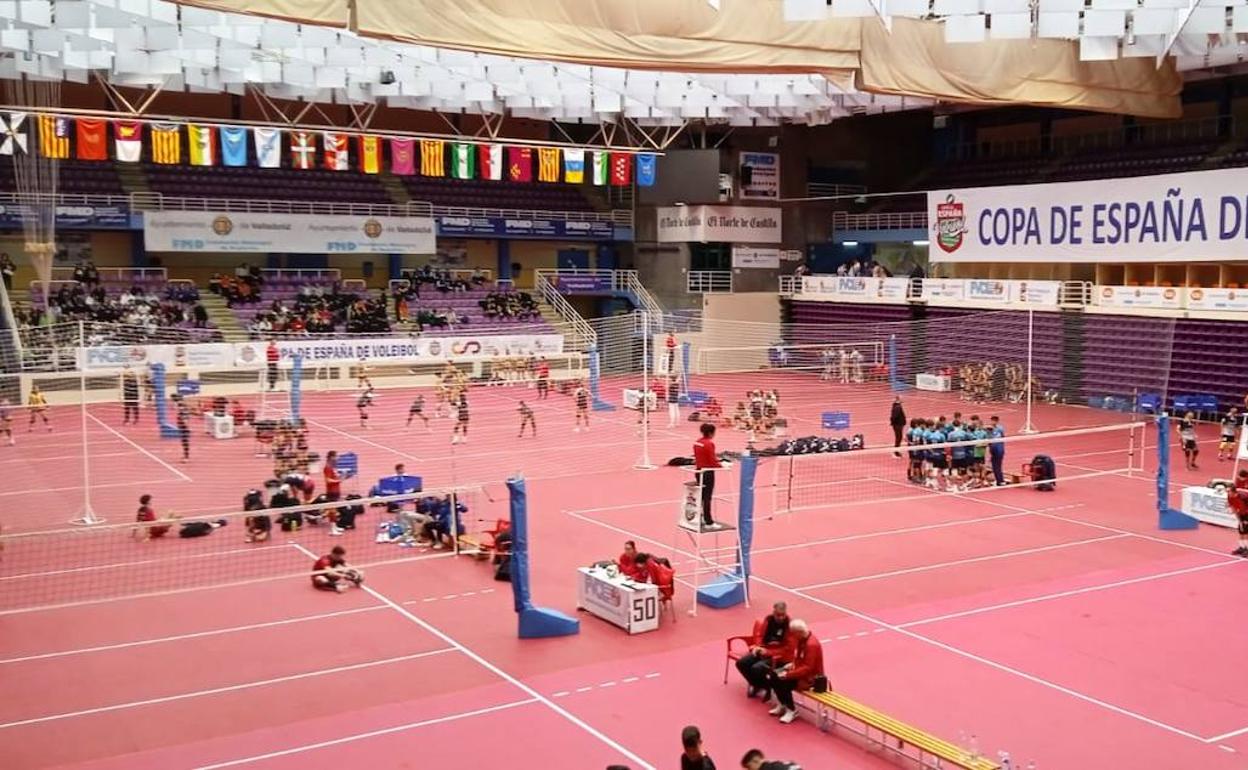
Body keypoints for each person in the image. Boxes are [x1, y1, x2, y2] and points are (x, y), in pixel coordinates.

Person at [766, 618, 824, 724]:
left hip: (810, 679)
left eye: (793, 633)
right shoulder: (801, 640)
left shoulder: (811, 645)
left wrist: (788, 674)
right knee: (773, 675)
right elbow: (799, 657)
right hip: (799, 672)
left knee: (783, 682)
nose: (792, 636)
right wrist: (792, 664)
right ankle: (783, 703)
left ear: (799, 632)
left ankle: (791, 710)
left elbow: (808, 668)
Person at [735, 602, 791, 701]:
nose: (781, 618)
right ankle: (759, 685)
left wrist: (768, 653)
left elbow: (787, 649)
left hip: (778, 656)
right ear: (773, 612)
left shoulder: (790, 625)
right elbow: (760, 636)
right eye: (778, 615)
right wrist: (758, 646)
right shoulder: (768, 620)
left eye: (783, 615)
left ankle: (768, 687)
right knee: (741, 663)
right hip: (764, 650)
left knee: (756, 668)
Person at [693, 423, 721, 528]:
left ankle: (699, 517)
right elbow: (712, 460)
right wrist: (722, 465)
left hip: (698, 471)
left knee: (700, 496)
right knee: (707, 497)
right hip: (707, 472)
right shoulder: (709, 444)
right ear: (710, 433)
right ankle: (708, 521)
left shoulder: (697, 442)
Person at [1228, 469, 1248, 557]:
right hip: (1241, 514)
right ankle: (1242, 547)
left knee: (1246, 531)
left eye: (1229, 492)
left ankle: (1247, 549)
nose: (1228, 493)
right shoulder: (1230, 497)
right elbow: (1233, 508)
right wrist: (1239, 519)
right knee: (1241, 531)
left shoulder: (1244, 498)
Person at [989, 415, 1006, 486]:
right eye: (991, 420)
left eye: (993, 420)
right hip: (994, 449)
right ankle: (999, 480)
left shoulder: (1000, 428)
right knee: (995, 466)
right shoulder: (989, 428)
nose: (992, 422)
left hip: (998, 449)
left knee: (997, 466)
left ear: (997, 421)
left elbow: (1003, 436)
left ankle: (1000, 481)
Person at [175, 397, 191, 462]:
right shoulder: (183, 411)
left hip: (184, 429)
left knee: (185, 443)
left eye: (179, 406)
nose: (177, 407)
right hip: (182, 428)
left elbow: (185, 420)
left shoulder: (183, 412)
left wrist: (187, 427)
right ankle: (185, 456)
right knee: (184, 443)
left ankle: (186, 457)